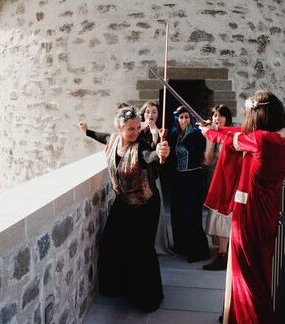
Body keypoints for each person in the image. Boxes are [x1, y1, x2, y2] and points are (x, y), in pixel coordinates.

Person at [200, 90, 285, 324]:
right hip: (268, 210)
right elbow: (239, 132)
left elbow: (233, 138)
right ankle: (236, 316)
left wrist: (210, 133)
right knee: (259, 272)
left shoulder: (261, 141)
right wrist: (215, 129)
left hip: (249, 214)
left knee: (245, 274)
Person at [77, 103, 170, 313]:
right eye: (131, 128)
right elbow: (102, 137)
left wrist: (160, 154)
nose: (136, 132)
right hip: (123, 202)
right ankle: (115, 287)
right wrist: (86, 131)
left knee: (141, 250)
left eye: (138, 128)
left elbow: (150, 157)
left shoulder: (142, 146)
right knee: (112, 241)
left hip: (145, 205)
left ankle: (147, 298)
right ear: (120, 128)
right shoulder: (114, 139)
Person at [168, 106, 210, 263]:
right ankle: (182, 246)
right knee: (179, 213)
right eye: (181, 117)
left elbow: (201, 151)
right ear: (177, 120)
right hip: (178, 178)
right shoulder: (174, 135)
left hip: (193, 177)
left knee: (192, 214)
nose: (184, 120)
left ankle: (198, 251)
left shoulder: (196, 134)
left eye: (186, 117)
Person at [202, 105, 237, 270]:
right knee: (219, 212)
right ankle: (224, 252)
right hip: (221, 178)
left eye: (221, 116)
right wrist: (210, 140)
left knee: (226, 213)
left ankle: (223, 255)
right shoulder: (215, 135)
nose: (217, 119)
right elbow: (208, 161)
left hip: (232, 179)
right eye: (215, 116)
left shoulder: (232, 132)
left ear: (227, 118)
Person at [139, 101, 175, 256]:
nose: (151, 115)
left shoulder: (161, 132)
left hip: (153, 175)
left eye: (154, 112)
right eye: (148, 112)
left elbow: (156, 155)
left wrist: (155, 135)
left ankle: (157, 244)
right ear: (143, 114)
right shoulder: (136, 129)